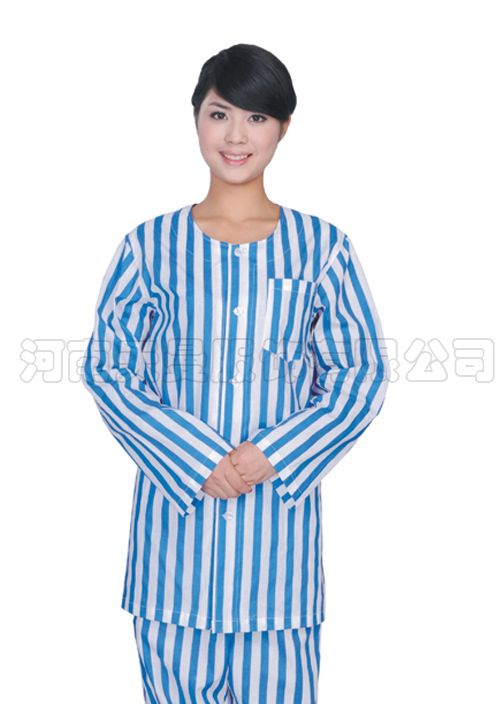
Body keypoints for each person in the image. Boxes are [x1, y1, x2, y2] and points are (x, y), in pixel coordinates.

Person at [80, 43, 390, 704]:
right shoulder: (149, 247)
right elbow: (109, 367)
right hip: (172, 571)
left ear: (283, 128)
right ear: (195, 118)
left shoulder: (323, 249)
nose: (237, 136)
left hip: (279, 575)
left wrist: (274, 453)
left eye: (257, 117)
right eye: (220, 114)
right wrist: (195, 458)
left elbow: (359, 373)